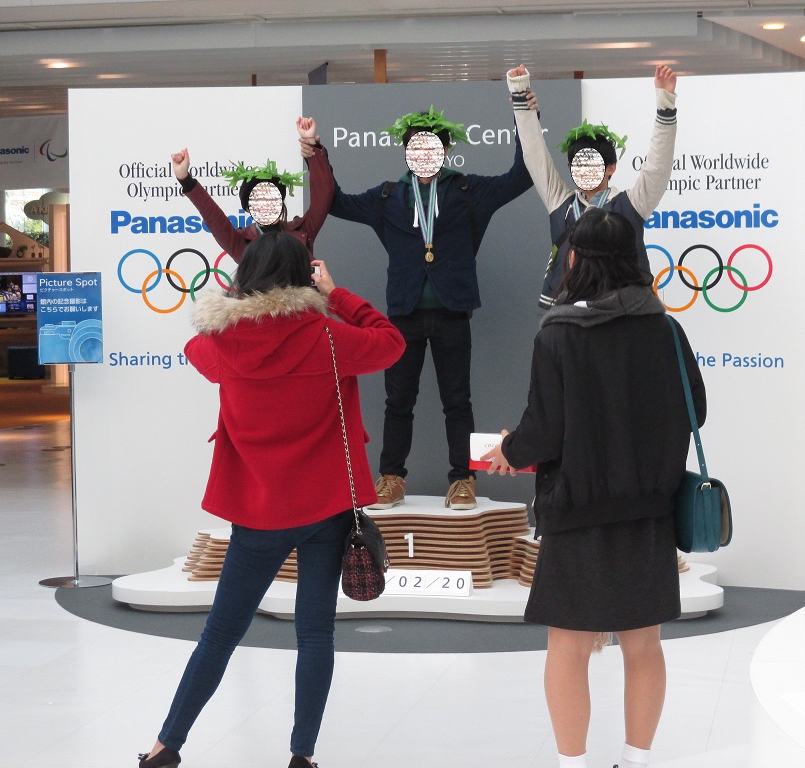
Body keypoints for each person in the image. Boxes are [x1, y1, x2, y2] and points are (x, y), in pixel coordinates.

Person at [138, 232, 405, 768]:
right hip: (327, 507)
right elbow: (390, 341)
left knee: (220, 635)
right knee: (315, 635)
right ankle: (302, 756)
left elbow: (194, 348)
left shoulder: (222, 343)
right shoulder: (330, 336)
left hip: (259, 512)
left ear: (246, 279)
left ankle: (167, 747)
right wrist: (337, 294)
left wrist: (232, 308)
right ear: (305, 276)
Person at [482, 210, 706, 768]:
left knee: (568, 648)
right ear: (634, 259)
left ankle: (573, 764)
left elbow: (543, 430)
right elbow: (695, 410)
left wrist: (509, 451)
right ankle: (635, 761)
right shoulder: (666, 330)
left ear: (575, 259)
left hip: (576, 514)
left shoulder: (558, 334)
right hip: (649, 513)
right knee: (644, 646)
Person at [302, 106, 532, 511]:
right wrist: (315, 153)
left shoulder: (467, 191)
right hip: (403, 315)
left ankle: (463, 479)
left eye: (432, 147)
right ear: (406, 152)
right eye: (416, 147)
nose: (424, 154)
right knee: (397, 401)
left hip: (452, 312)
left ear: (446, 151)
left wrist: (523, 115)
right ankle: (391, 478)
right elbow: (334, 202)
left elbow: (521, 176)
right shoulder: (388, 197)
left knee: (457, 401)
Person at [505, 64, 678, 309]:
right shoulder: (561, 203)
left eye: (591, 163)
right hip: (565, 310)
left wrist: (665, 104)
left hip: (622, 312)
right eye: (578, 164)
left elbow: (658, 167)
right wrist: (521, 98)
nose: (584, 170)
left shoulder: (631, 205)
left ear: (611, 167)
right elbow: (535, 156)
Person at [171, 117, 334, 264]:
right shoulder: (241, 243)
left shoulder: (303, 231)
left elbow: (323, 194)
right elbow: (213, 217)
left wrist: (312, 146)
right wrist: (185, 179)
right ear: (249, 208)